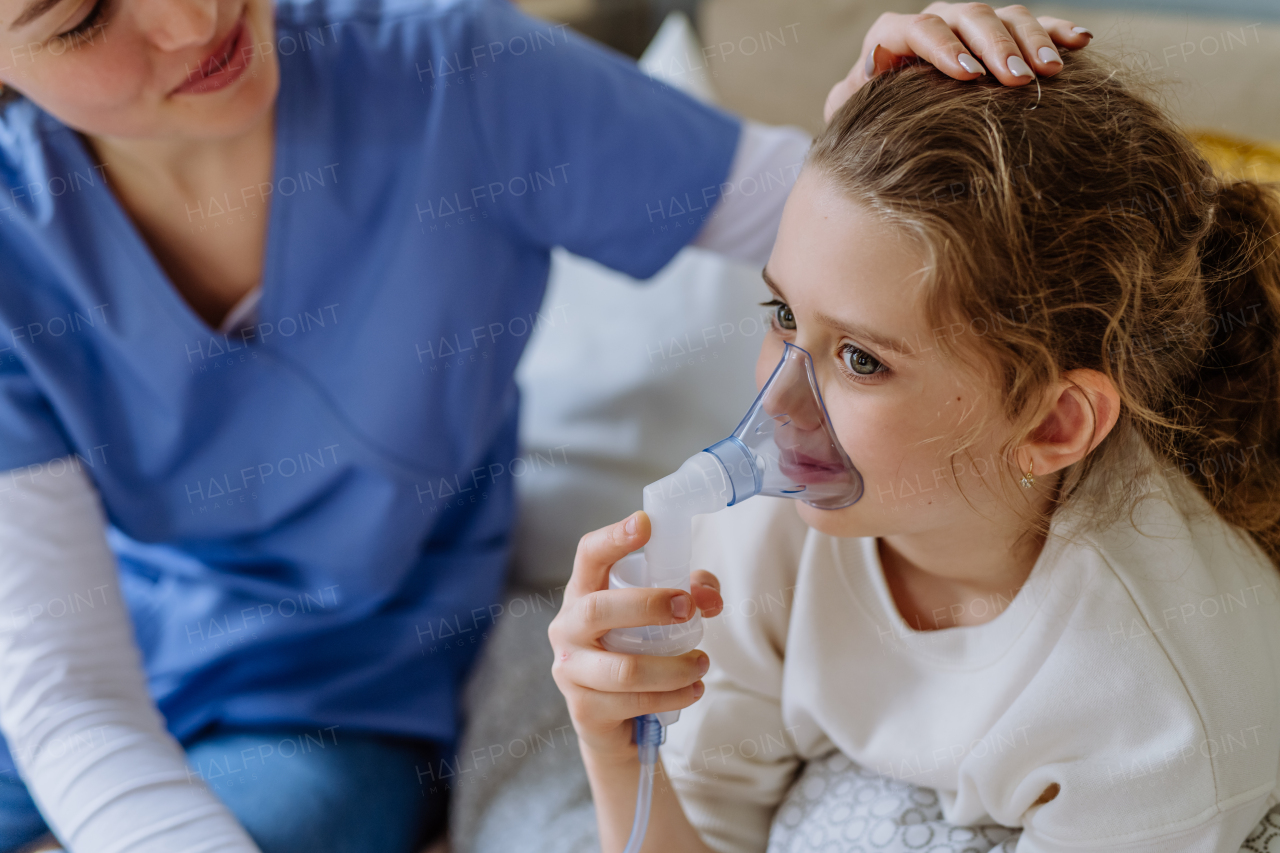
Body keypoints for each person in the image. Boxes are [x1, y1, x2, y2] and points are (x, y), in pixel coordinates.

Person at [0, 0, 1094, 849]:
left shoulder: (460, 83)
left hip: (328, 700)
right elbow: (63, 690)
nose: (193, 21)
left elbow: (865, 253)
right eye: (79, 17)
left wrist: (903, 123)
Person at [549, 45, 1280, 853]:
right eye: (784, 315)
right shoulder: (767, 540)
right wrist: (615, 747)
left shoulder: (1159, 713)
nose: (779, 410)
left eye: (862, 359)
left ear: (1052, 426)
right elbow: (707, 828)